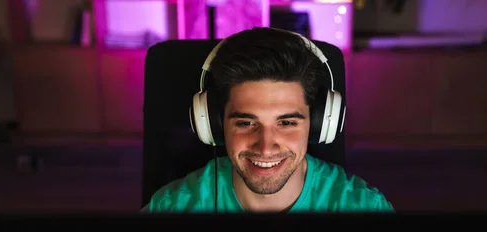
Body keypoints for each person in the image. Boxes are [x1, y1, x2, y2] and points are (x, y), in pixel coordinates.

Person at [143, 28, 393, 213]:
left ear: (318, 124)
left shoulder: (364, 211)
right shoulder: (171, 211)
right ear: (215, 124)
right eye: (246, 123)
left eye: (286, 123)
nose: (265, 147)